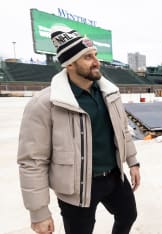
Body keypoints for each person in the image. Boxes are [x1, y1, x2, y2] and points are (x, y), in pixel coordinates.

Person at [17, 26, 141, 234]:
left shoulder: (109, 93)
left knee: (128, 215)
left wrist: (133, 161)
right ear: (70, 64)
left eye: (95, 55)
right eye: (87, 57)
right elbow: (32, 161)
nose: (96, 62)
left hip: (113, 177)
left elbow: (123, 131)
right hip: (76, 187)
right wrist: (39, 212)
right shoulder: (44, 104)